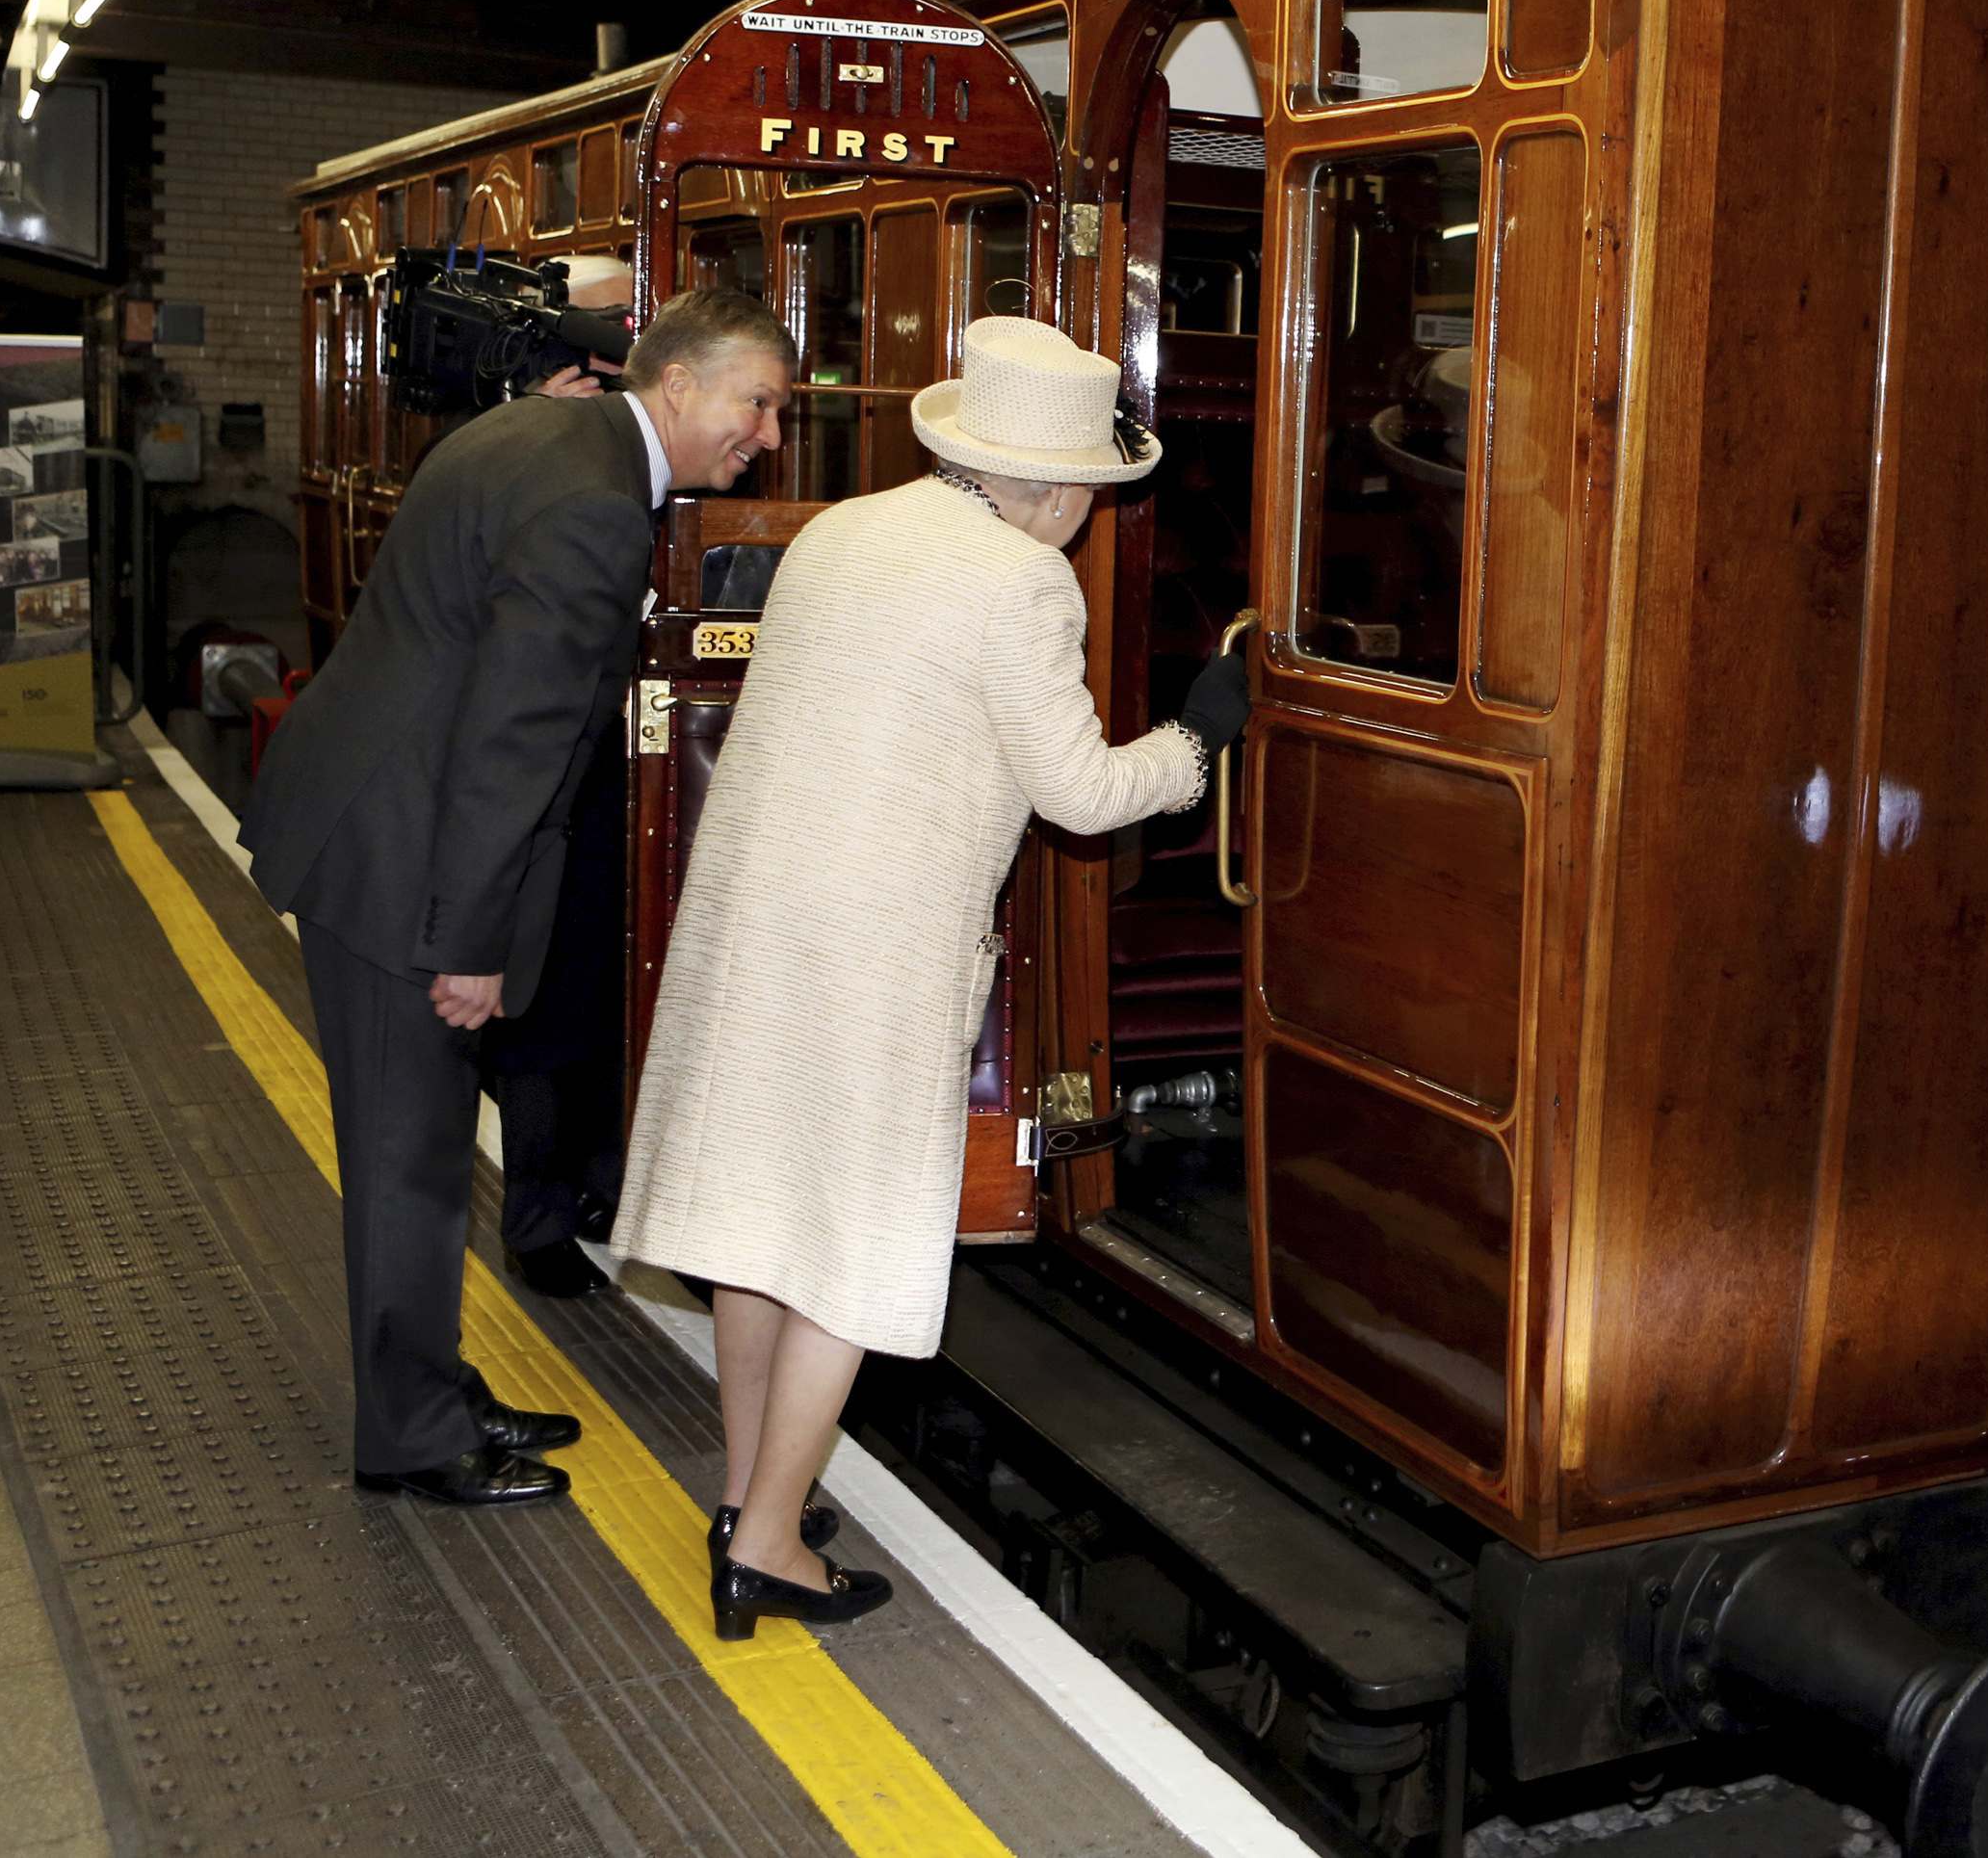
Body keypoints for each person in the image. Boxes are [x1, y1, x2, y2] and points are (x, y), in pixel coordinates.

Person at [612, 315, 1248, 1636]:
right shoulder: (1022, 582)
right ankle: (770, 1547)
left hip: (749, 929)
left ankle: (747, 1495)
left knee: (751, 1225)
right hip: (868, 959)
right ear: (1059, 485)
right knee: (843, 1243)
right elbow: (1079, 794)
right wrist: (1199, 736)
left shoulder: (841, 532)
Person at [245, 287, 796, 1507]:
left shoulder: (536, 430)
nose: (765, 436)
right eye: (755, 403)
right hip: (400, 856)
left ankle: (429, 1382)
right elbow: (516, 739)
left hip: (371, 815)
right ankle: (411, 1435)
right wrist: (470, 940)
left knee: (425, 1153)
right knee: (409, 1163)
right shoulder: (597, 502)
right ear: (681, 381)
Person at [488, 250, 644, 1298]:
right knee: (542, 1002)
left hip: (633, 765)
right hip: (547, 774)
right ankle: (536, 1209)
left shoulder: (644, 448)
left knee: (610, 981)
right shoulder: (520, 447)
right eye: (601, 328)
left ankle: (601, 1180)